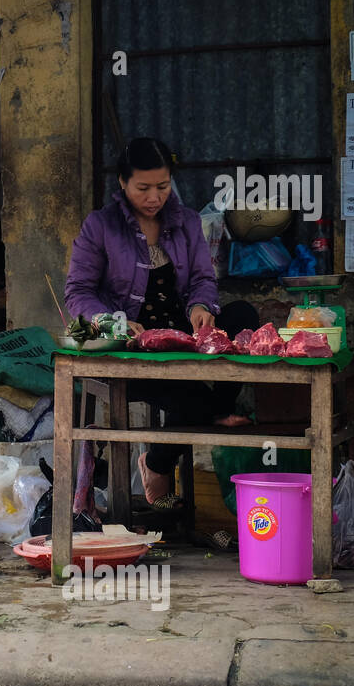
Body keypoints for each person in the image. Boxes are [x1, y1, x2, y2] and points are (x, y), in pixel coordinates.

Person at [64, 137, 259, 551]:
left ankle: (218, 410)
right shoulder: (100, 226)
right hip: (129, 351)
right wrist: (112, 321)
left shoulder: (186, 221)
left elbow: (205, 279)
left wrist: (202, 307)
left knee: (242, 315)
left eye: (163, 186)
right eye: (143, 188)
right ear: (122, 183)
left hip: (180, 338)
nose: (154, 197)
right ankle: (157, 462)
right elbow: (78, 293)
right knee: (192, 407)